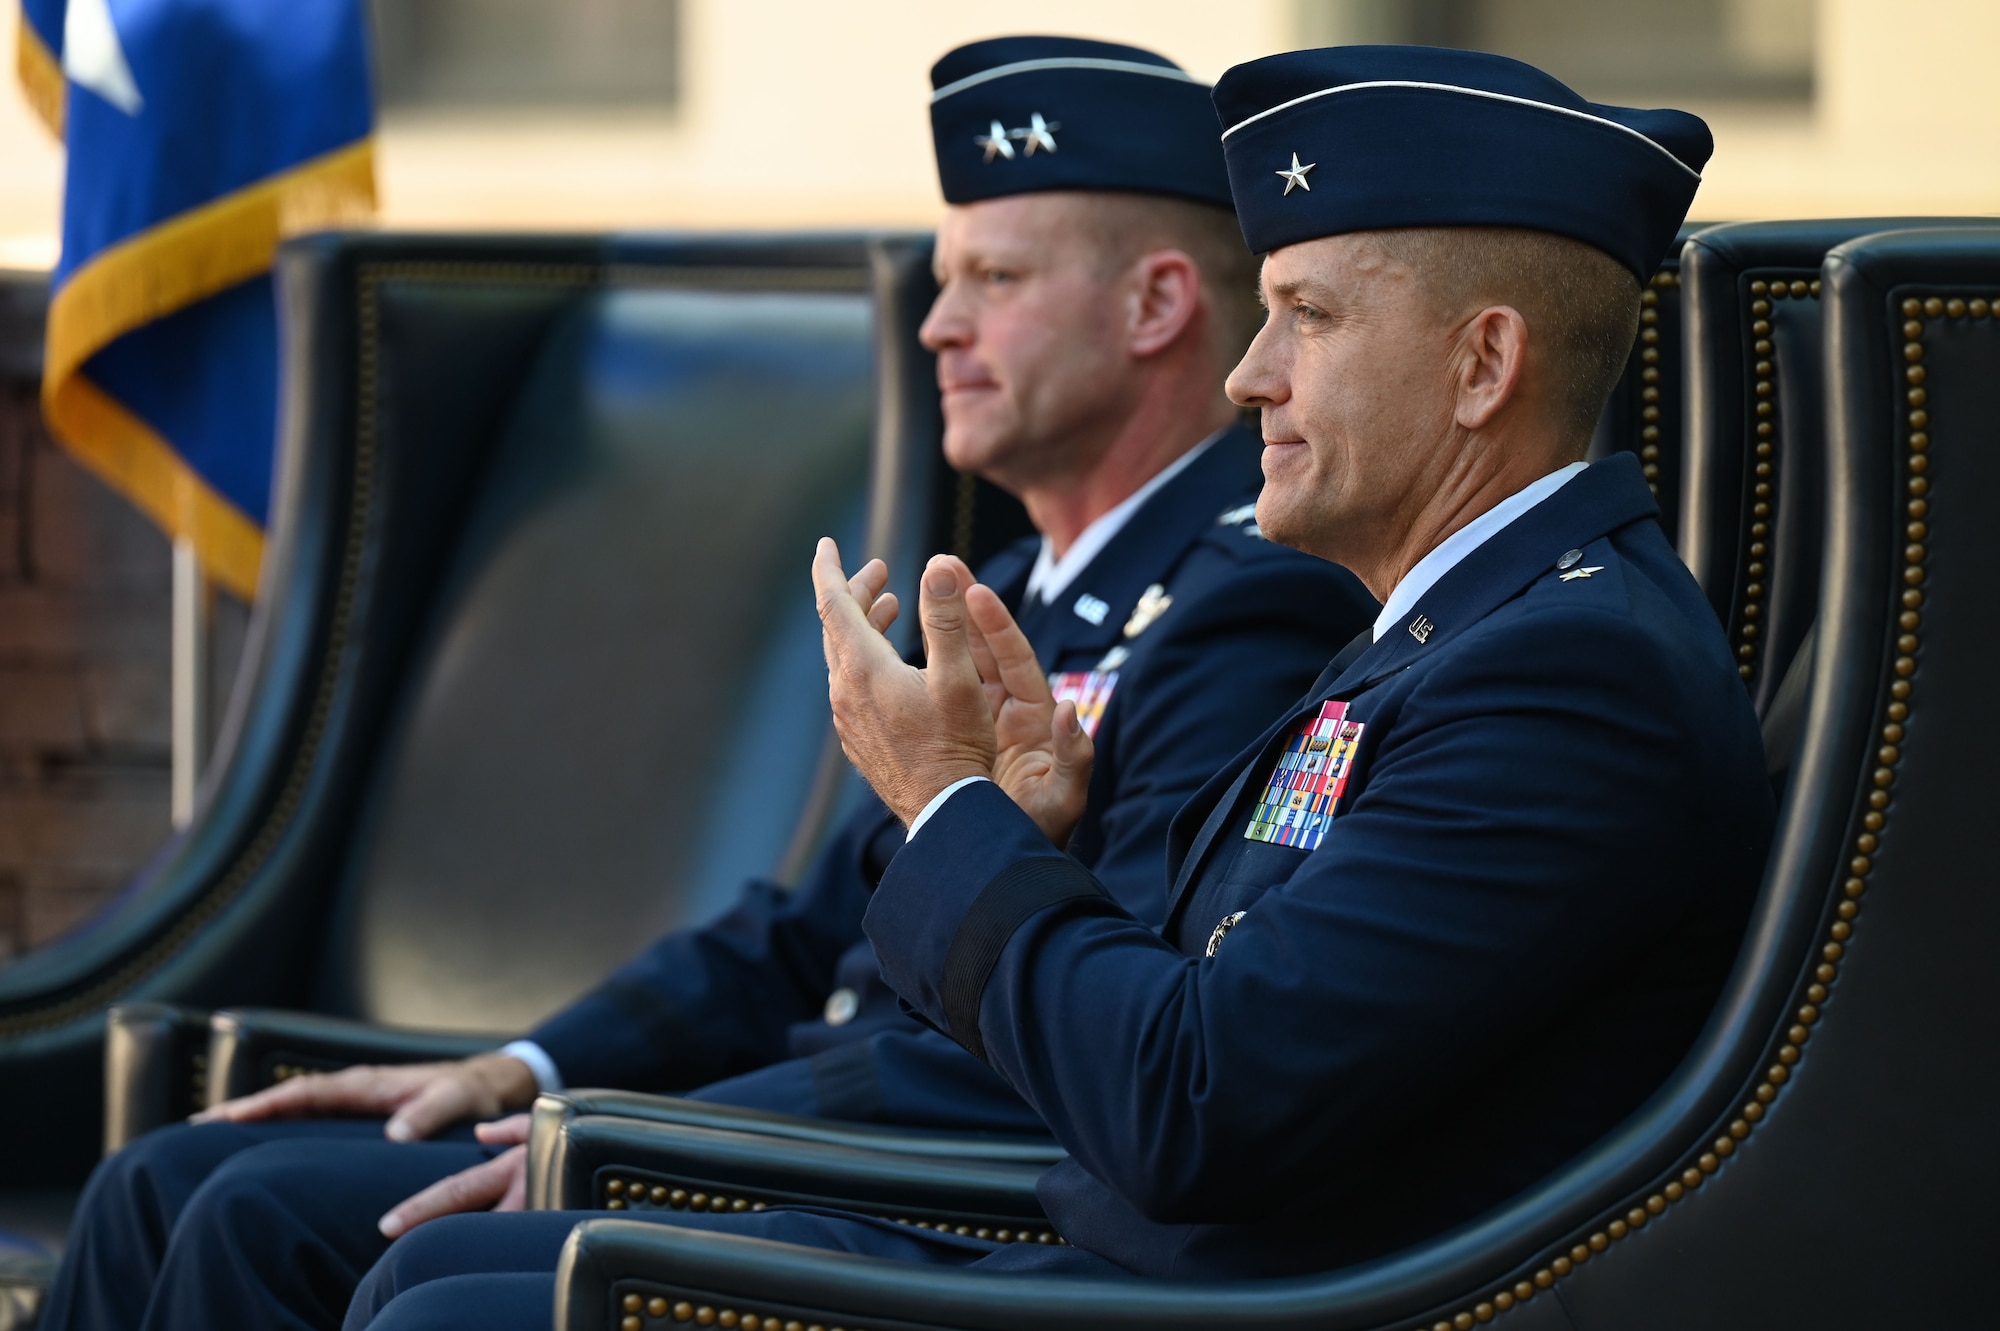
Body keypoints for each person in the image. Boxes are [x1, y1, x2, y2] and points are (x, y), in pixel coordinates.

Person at [342, 42, 1773, 1330]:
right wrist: (1025, 842)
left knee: (441, 1305)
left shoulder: (1569, 676)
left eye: (1307, 317)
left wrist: (954, 810)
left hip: (1222, 1305)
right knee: (428, 1273)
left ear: (1483, 364)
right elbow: (1196, 1011)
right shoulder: (1446, 631)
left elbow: (1194, 1104)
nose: (1248, 378)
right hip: (1108, 1268)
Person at [40, 35, 1374, 1331]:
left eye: (994, 280)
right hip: (807, 1127)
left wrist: (634, 1143)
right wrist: (528, 1067)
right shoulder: (1020, 582)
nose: (937, 324)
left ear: (1154, 307)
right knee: (162, 1181)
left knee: (250, 1214)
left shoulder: (1245, 599)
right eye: (945, 280)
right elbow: (803, 936)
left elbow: (1076, 1036)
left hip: (924, 1182)